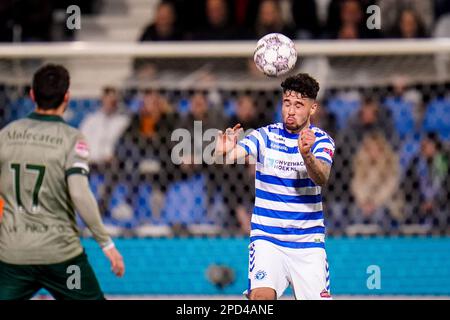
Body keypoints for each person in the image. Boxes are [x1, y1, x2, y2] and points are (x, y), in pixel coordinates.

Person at [0, 64, 124, 300]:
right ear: (67, 97)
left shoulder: (7, 134)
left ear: (32, 95)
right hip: (60, 255)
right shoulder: (72, 139)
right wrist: (105, 243)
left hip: (14, 254)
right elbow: (79, 193)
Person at [215, 73, 335, 300]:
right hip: (268, 239)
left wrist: (307, 155)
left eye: (299, 105)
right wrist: (221, 152)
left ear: (312, 108)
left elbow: (322, 177)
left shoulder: (321, 140)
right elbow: (230, 158)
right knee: (261, 299)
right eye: (287, 103)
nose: (291, 110)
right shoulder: (264, 136)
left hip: (308, 243)